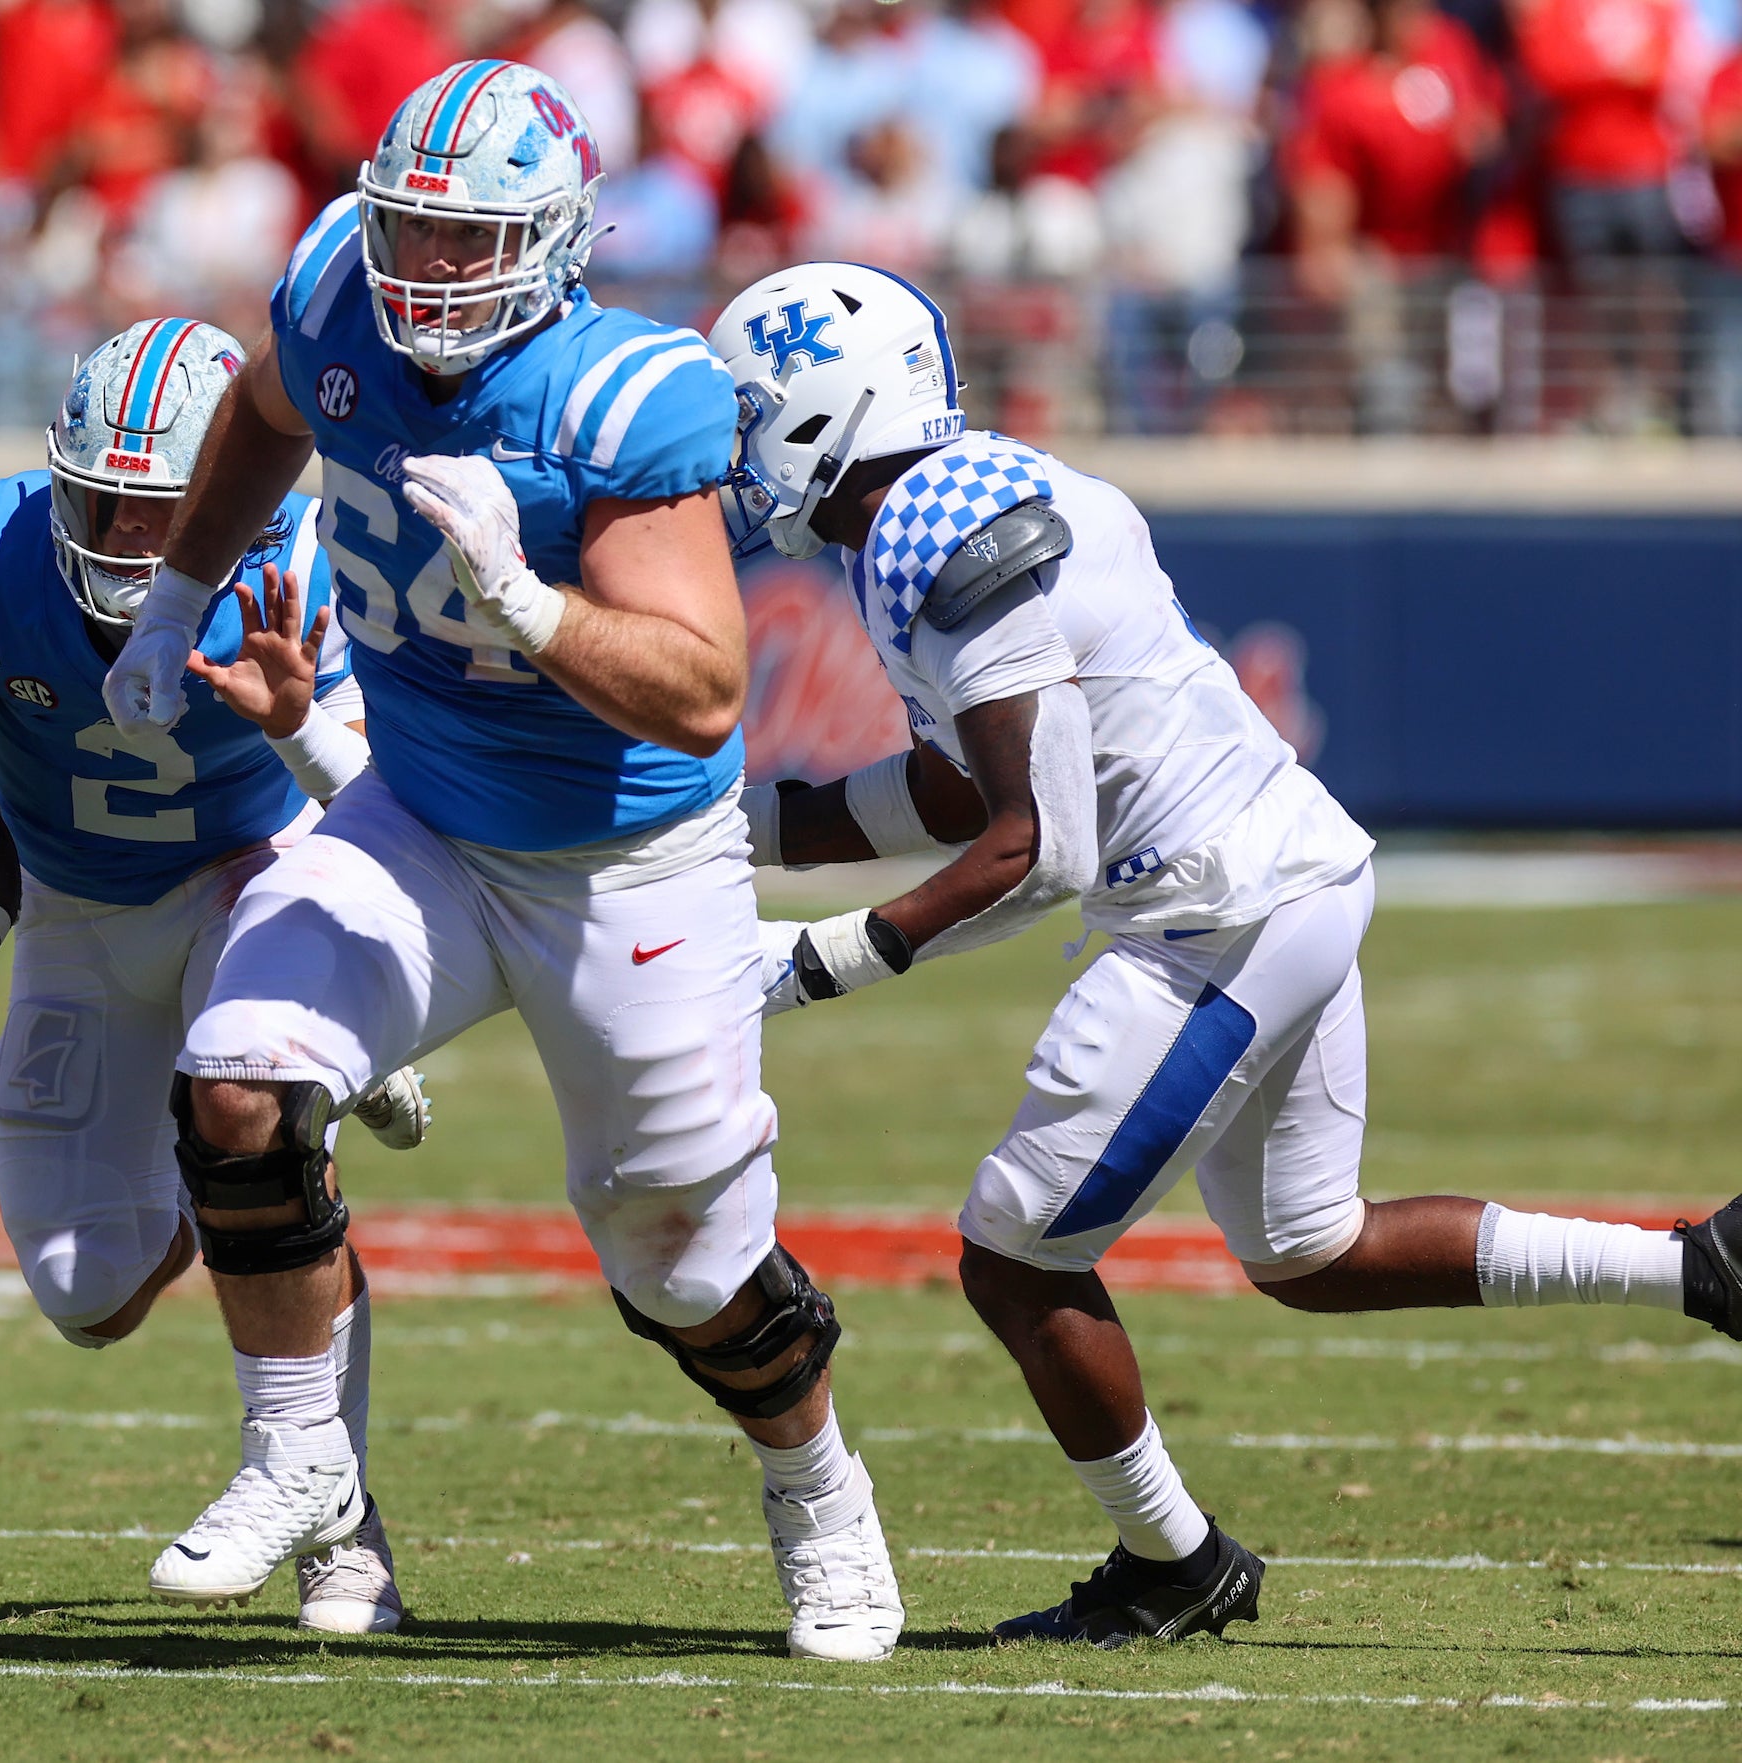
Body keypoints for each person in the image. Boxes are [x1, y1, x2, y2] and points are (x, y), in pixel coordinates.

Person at [711, 259, 1742, 1647]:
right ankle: (1705, 1267)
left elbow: (1036, 846)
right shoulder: (959, 498)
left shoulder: (937, 546)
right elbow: (963, 786)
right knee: (1311, 1245)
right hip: (1281, 869)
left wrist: (816, 961)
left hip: (1218, 908)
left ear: (830, 411)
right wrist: (748, 824)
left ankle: (1174, 1559)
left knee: (1014, 1258)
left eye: (752, 411)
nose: (732, 446)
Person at [102, 60, 907, 1663]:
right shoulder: (338, 292)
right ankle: (294, 1455)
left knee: (683, 1260)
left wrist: (524, 598)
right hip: (422, 813)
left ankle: (818, 1488)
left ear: (553, 244)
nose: (425, 269)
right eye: (407, 229)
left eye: (468, 241)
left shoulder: (625, 394)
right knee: (238, 1074)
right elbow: (267, 407)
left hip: (630, 864)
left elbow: (700, 689)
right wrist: (184, 591)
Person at [0, 317, 431, 1634]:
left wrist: (300, 728)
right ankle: (243, 1186)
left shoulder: (310, 564)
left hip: (256, 873)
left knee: (266, 1160)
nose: (127, 536)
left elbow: (395, 805)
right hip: (75, 908)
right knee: (83, 1289)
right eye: (101, 499)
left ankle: (343, 1518)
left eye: (163, 509)